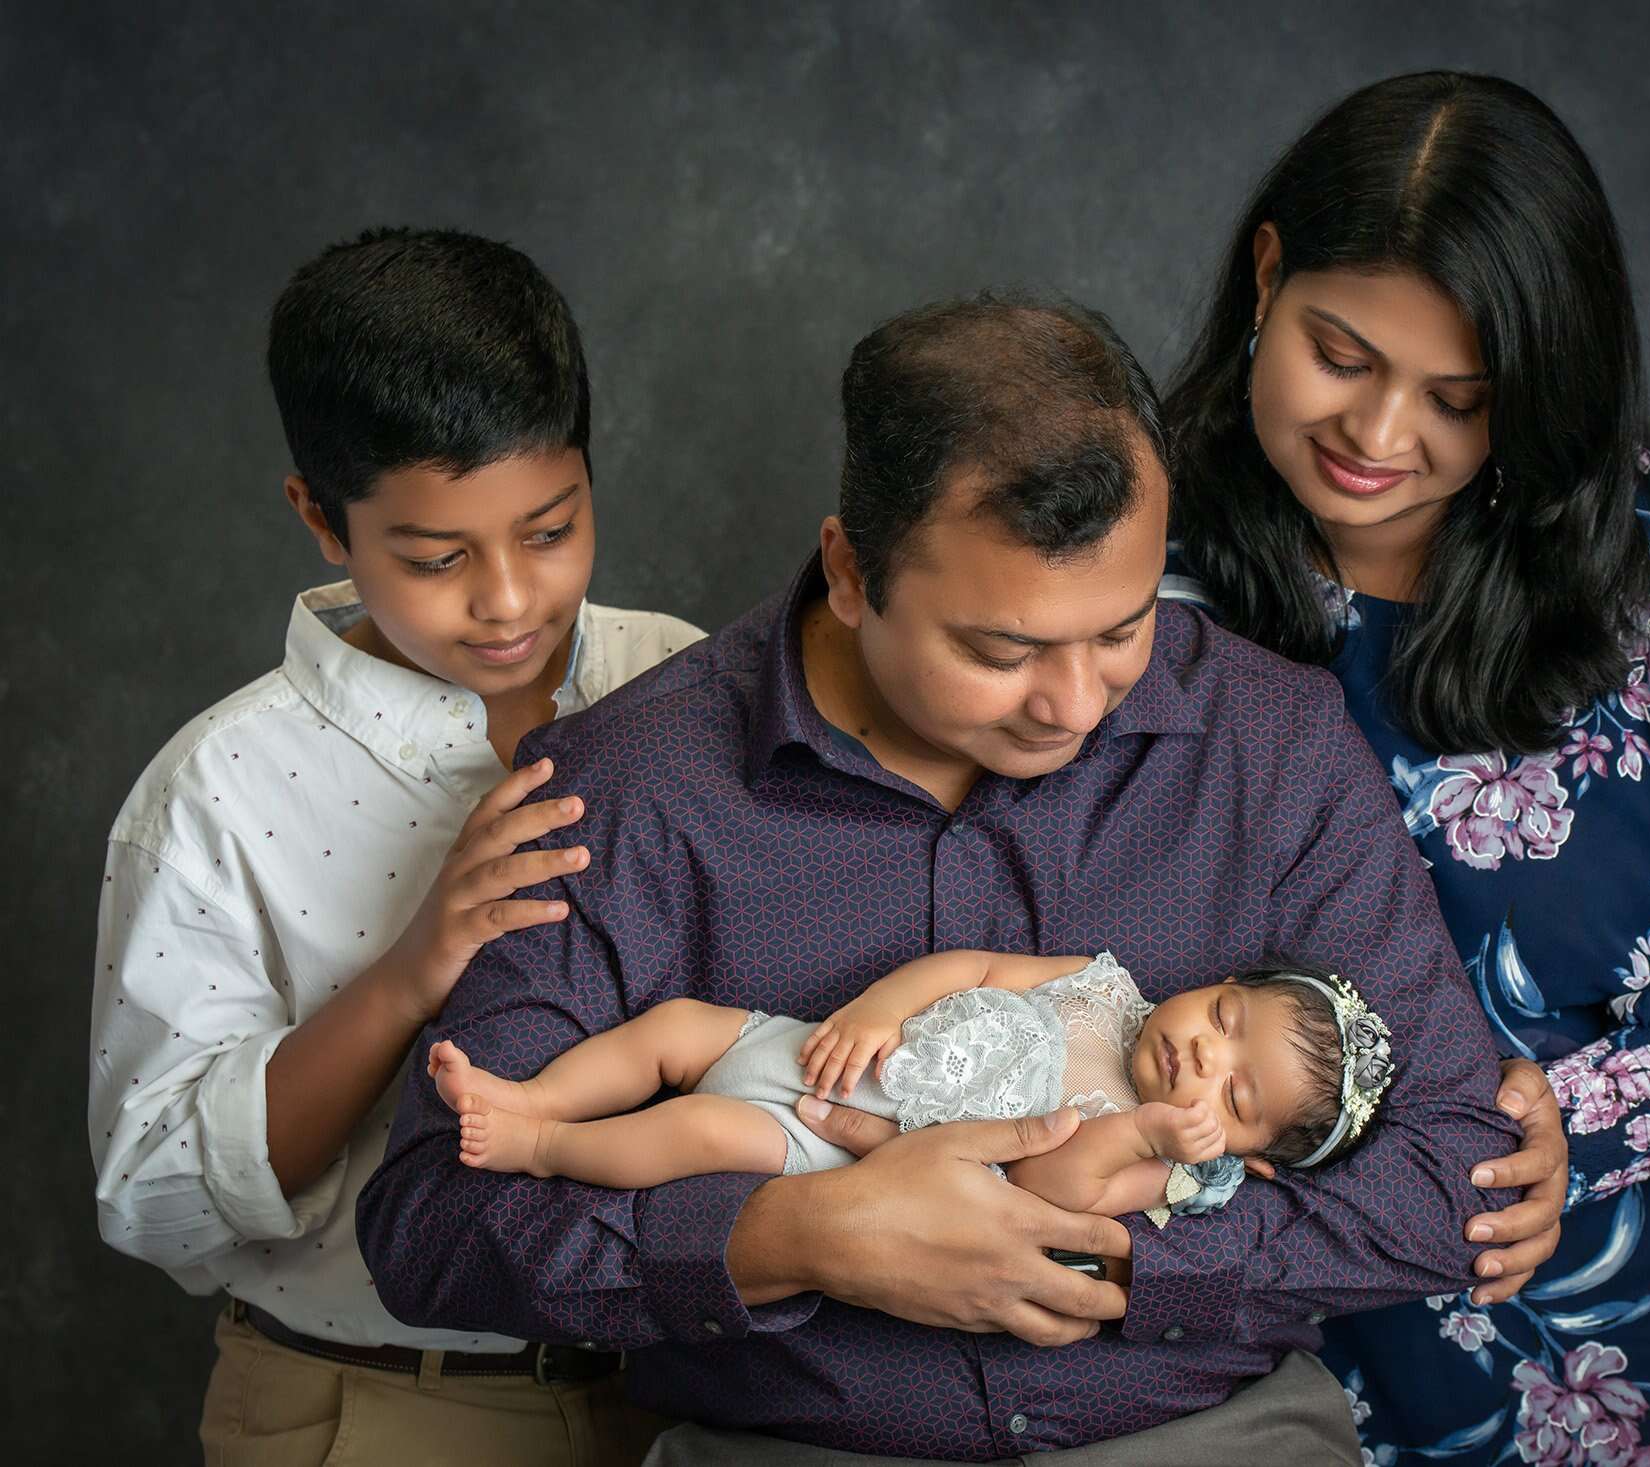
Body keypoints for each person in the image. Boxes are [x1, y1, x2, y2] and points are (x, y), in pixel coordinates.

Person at [356, 294, 1559, 1464]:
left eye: (1122, 628)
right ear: (848, 571)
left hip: (1202, 1433)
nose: (1075, 703)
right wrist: (794, 1237)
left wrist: (1130, 1257)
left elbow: (1453, 1169)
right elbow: (432, 1230)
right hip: (801, 1444)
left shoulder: (1273, 742)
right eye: (1001, 650)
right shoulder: (626, 787)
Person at [1161, 70, 1650, 1465]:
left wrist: (1577, 1114)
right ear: (1267, 273)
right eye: (1342, 353)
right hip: (1253, 1381)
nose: (1382, 437)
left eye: (1459, 398)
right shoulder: (1134, 567)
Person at [89, 227, 702, 1465]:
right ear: (322, 518)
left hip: (691, 1393)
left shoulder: (680, 682)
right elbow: (154, 1193)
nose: (510, 600)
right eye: (436, 559)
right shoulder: (213, 791)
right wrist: (416, 968)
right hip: (380, 1404)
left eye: (550, 529)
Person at [424, 948, 1395, 1224]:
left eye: (1235, 1100)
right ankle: (538, 1095)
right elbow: (971, 968)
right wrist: (881, 1010)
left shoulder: (1159, 1163)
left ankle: (543, 1148)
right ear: (1220, 984)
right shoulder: (1101, 987)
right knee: (675, 1027)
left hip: (828, 1149)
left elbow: (1056, 1197)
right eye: (1223, 1021)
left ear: (1249, 1160)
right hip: (820, 1050)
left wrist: (1147, 1137)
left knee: (705, 1132)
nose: (1202, 1062)